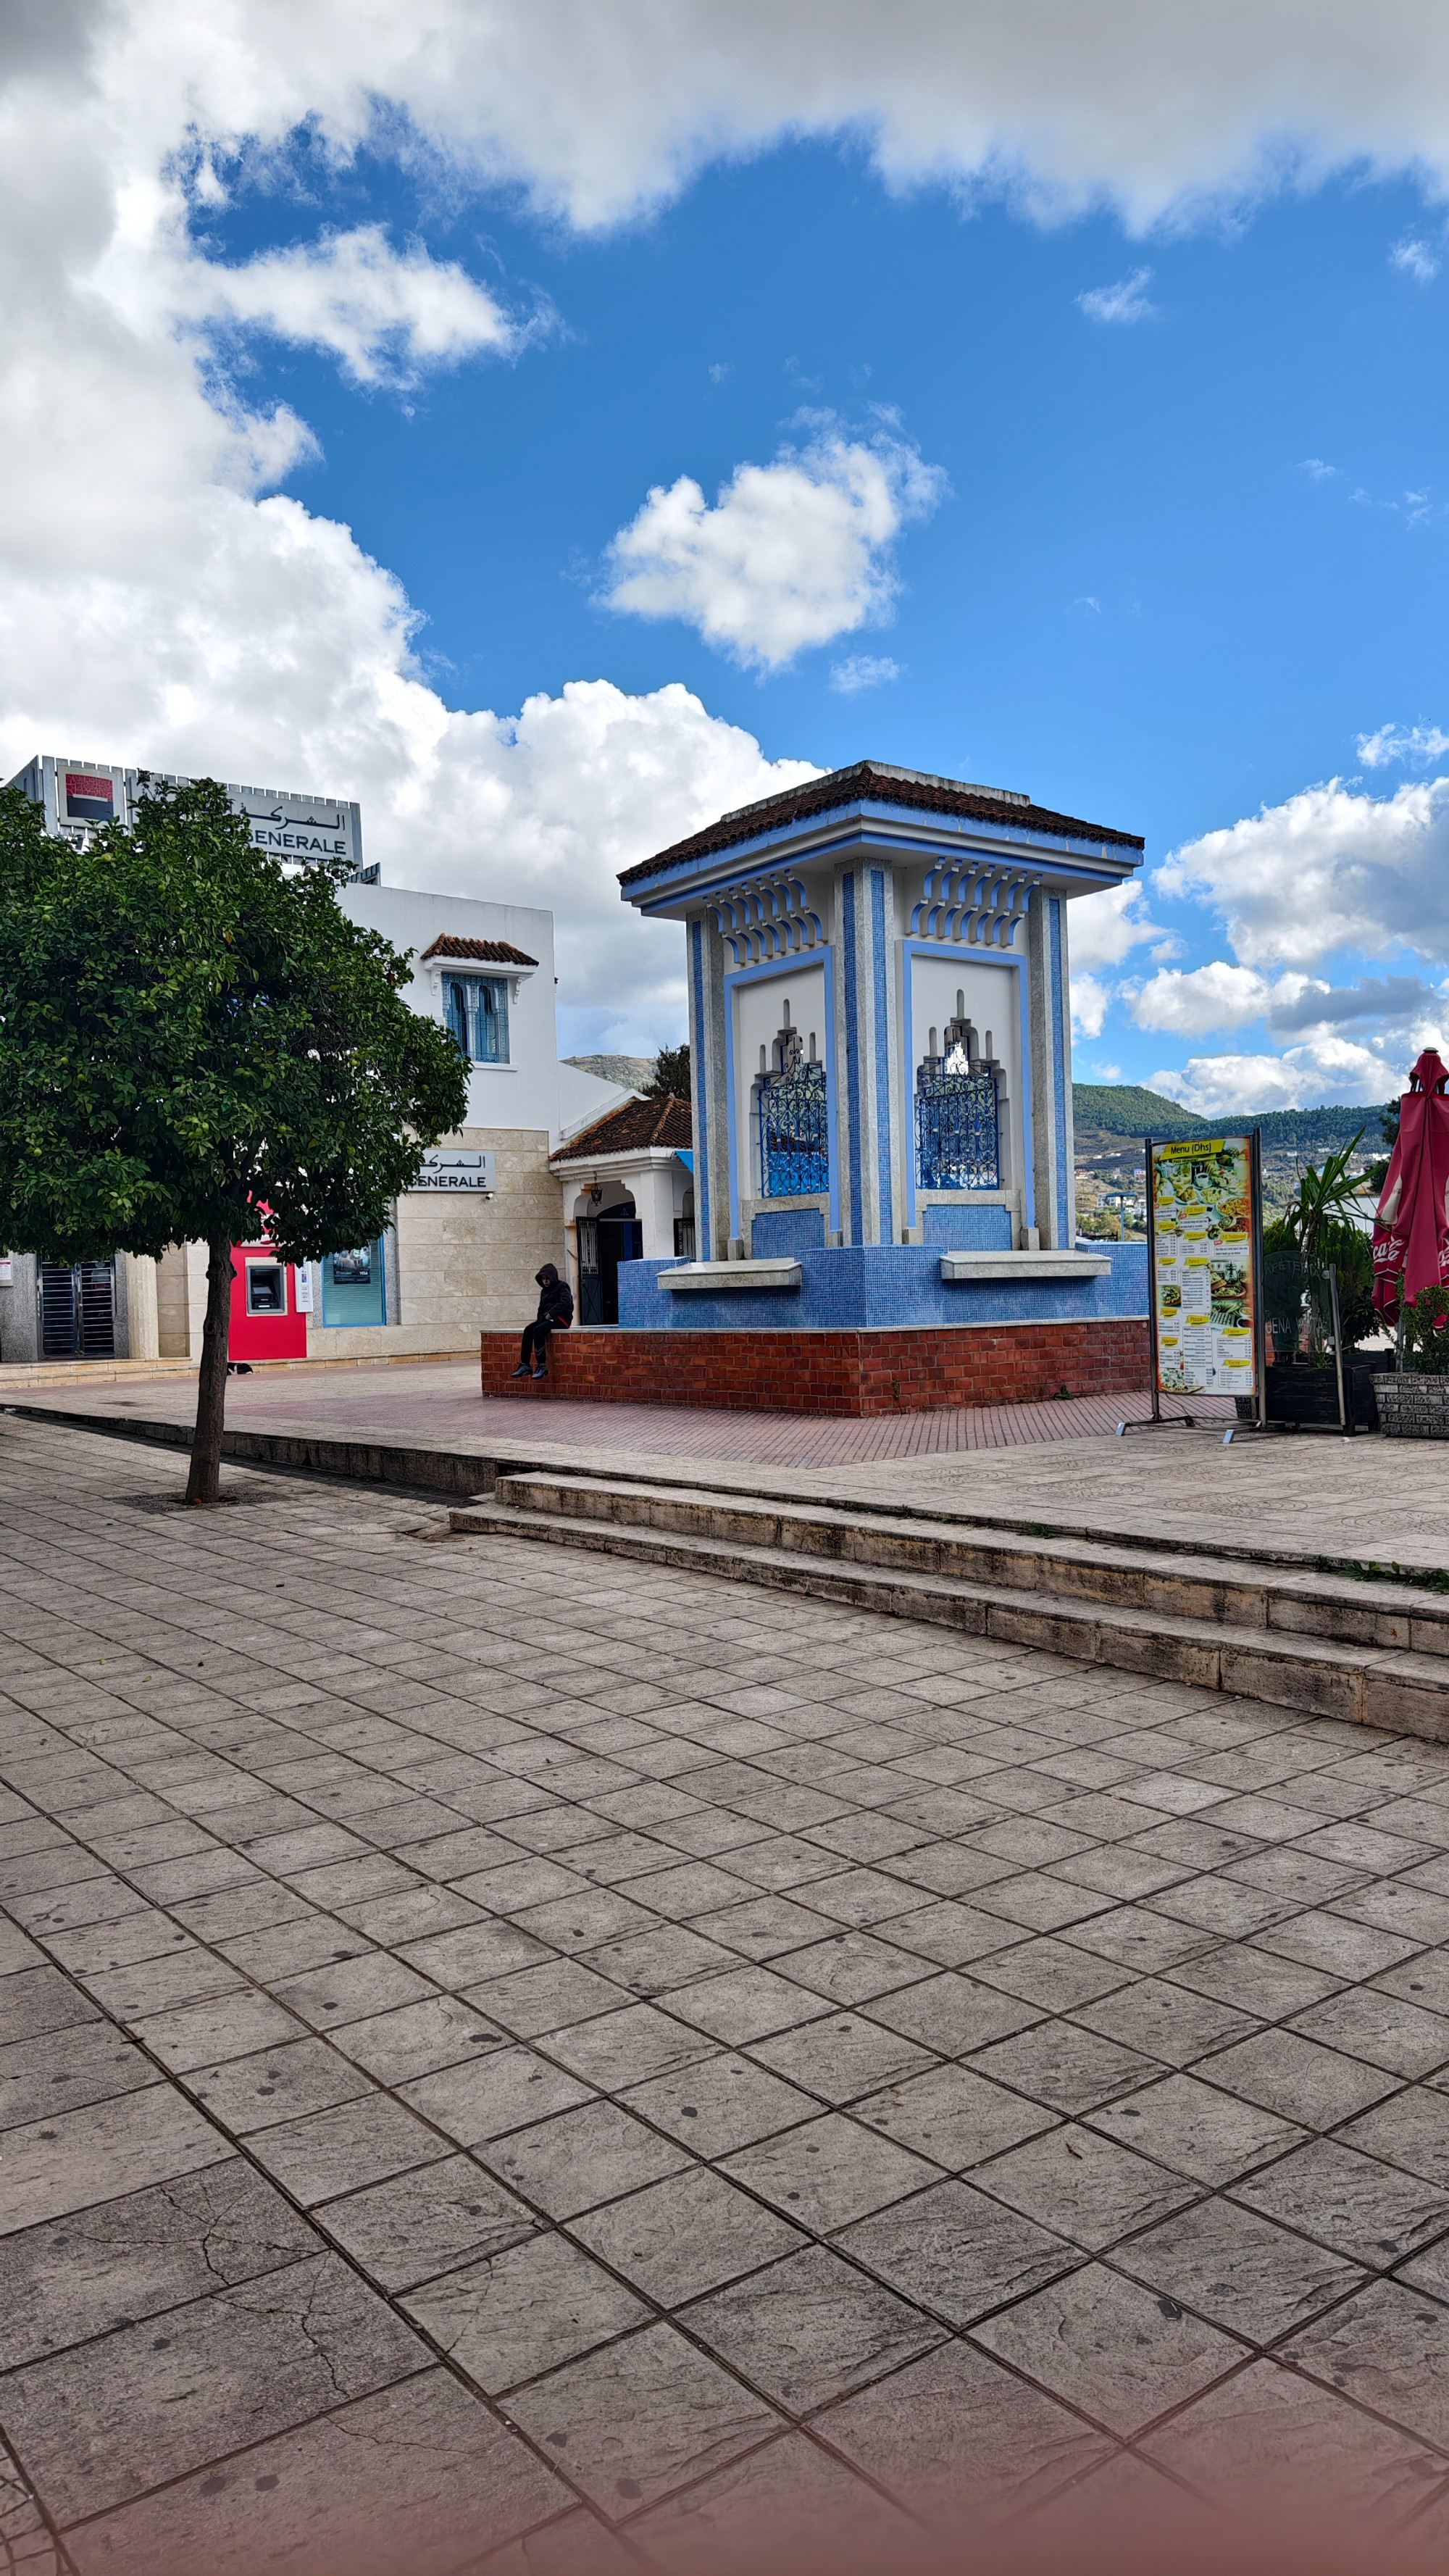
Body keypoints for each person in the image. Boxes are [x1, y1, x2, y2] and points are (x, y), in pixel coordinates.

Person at [512, 1262, 574, 1379]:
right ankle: (525, 1365)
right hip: (547, 1319)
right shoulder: (544, 1291)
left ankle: (542, 1365)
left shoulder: (562, 1286)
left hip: (561, 1319)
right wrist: (540, 1319)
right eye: (543, 1279)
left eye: (547, 1278)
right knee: (529, 1330)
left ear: (552, 1277)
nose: (545, 1281)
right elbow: (541, 1308)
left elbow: (565, 1302)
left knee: (539, 1331)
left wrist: (551, 1313)